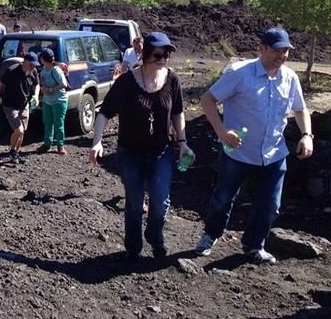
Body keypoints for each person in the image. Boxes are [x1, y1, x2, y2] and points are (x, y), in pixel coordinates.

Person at [194, 27, 313, 265]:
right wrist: (221, 131)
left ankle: (253, 244)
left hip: (273, 153)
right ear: (262, 48)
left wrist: (307, 134)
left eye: (286, 51)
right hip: (238, 151)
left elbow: (300, 109)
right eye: (277, 50)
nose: (282, 55)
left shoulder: (290, 78)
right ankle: (211, 234)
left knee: (270, 204)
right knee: (224, 197)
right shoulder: (239, 73)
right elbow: (207, 100)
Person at [88, 32, 191, 262]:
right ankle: (133, 248)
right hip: (130, 152)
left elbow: (178, 113)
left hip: (161, 152)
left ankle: (155, 236)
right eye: (158, 54)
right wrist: (97, 142)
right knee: (134, 203)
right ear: (145, 55)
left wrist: (183, 142)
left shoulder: (172, 80)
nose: (163, 59)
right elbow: (104, 113)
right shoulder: (127, 82)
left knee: (160, 202)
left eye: (167, 54)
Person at [0, 52, 40, 165]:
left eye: (34, 65)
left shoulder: (33, 71)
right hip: (10, 105)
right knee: (19, 130)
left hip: (24, 105)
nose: (33, 67)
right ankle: (12, 151)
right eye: (31, 64)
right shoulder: (12, 70)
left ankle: (16, 153)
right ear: (25, 61)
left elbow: (36, 84)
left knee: (22, 132)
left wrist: (36, 96)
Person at [37, 48, 69, 155]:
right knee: (47, 122)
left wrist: (50, 90)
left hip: (59, 101)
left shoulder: (56, 70)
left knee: (58, 123)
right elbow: (42, 81)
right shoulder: (43, 69)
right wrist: (43, 88)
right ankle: (47, 143)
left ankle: (60, 146)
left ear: (44, 59)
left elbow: (63, 84)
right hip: (47, 100)